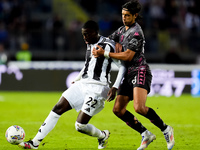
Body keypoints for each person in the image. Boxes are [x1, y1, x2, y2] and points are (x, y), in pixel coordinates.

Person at [18, 20, 126, 149]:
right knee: (58, 107)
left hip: (98, 88)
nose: (85, 38)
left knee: (80, 126)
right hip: (82, 84)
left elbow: (122, 66)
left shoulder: (108, 45)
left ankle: (102, 136)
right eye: (83, 35)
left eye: (87, 34)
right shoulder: (89, 43)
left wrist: (114, 87)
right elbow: (88, 64)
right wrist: (78, 78)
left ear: (95, 32)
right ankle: (34, 143)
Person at [92, 1, 175, 150]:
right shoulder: (121, 30)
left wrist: (106, 53)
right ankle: (145, 134)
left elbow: (129, 56)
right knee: (118, 109)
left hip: (140, 70)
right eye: (123, 15)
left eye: (127, 15)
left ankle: (166, 129)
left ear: (135, 15)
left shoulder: (136, 32)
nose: (124, 18)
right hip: (128, 73)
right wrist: (100, 45)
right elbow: (109, 41)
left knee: (139, 108)